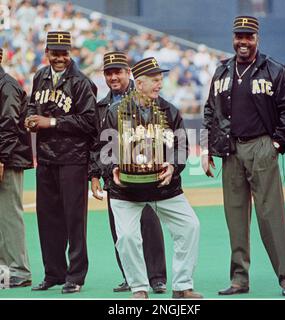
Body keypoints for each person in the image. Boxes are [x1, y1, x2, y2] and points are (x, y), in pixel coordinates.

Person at [202, 16, 285, 296]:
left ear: (257, 39)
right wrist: (208, 149)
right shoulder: (222, 71)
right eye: (239, 36)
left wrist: (276, 143)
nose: (243, 42)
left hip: (262, 146)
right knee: (235, 217)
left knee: (271, 216)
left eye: (249, 36)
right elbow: (210, 111)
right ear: (233, 38)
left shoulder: (273, 70)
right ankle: (239, 280)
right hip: (230, 150)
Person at [100, 57, 202, 299]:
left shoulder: (169, 110)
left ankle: (182, 286)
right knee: (126, 237)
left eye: (161, 79)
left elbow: (181, 147)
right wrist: (112, 170)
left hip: (163, 187)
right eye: (155, 80)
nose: (160, 84)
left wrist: (173, 167)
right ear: (140, 83)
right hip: (126, 190)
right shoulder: (115, 112)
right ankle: (139, 288)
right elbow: (104, 149)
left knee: (190, 227)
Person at [25, 31, 97, 294]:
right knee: (47, 218)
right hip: (45, 158)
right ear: (47, 52)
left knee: (74, 219)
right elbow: (34, 106)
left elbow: (90, 122)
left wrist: (52, 122)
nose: (59, 58)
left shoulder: (81, 82)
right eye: (55, 53)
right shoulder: (39, 77)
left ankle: (75, 276)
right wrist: (31, 119)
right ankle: (53, 273)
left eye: (64, 53)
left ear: (70, 53)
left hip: (73, 159)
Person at [89, 51, 167, 294]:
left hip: (146, 173)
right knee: (120, 231)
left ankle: (156, 277)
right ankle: (130, 276)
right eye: (109, 73)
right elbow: (97, 143)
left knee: (149, 226)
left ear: (128, 73)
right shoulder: (101, 106)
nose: (113, 77)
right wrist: (94, 174)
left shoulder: (146, 97)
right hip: (116, 177)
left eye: (118, 72)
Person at [0, 47, 33, 288]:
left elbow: (9, 124)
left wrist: (1, 158)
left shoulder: (7, 85)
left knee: (9, 214)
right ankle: (5, 269)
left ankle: (19, 270)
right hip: (4, 156)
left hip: (8, 159)